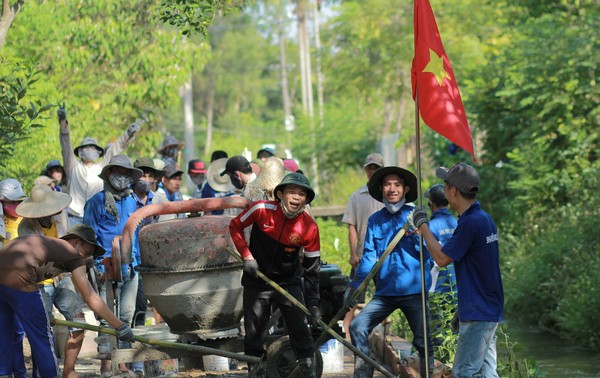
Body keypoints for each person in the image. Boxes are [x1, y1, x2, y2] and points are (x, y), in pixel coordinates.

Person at [0, 225, 135, 378]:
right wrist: (120, 326)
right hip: (21, 275)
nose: (85, 258)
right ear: (76, 242)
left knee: (6, 332)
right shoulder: (73, 255)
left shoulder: (51, 245)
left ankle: (4, 373)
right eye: (87, 252)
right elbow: (91, 297)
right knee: (42, 337)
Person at [413, 163, 504, 378]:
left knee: (464, 371)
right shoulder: (484, 219)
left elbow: (442, 258)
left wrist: (423, 226)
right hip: (489, 308)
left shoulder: (470, 223)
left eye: (445, 187)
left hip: (479, 311)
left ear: (454, 191)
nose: (444, 192)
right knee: (487, 373)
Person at [229, 173, 321, 377]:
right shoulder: (260, 209)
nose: (296, 197)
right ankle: (256, 368)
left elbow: (312, 269)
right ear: (280, 194)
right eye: (291, 192)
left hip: (288, 283)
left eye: (302, 194)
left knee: (299, 326)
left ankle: (308, 367)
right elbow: (235, 226)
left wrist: (313, 304)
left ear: (306, 200)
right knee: (254, 330)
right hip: (257, 280)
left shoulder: (310, 227)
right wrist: (247, 257)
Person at [346, 166, 433, 378]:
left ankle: (429, 373)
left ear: (405, 189)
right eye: (387, 184)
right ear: (381, 189)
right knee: (357, 326)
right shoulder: (375, 220)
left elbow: (429, 257)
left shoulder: (416, 216)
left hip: (414, 292)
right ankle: (363, 371)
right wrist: (355, 287)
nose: (392, 189)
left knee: (423, 340)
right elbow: (369, 257)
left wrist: (416, 234)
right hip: (385, 293)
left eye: (397, 185)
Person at [16, 185, 87, 378]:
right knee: (42, 332)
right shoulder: (26, 227)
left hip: (63, 277)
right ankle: (44, 374)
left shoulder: (61, 217)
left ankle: (69, 370)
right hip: (40, 282)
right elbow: (39, 258)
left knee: (79, 322)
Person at [82, 154, 142, 376]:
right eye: (119, 172)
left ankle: (123, 362)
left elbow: (135, 235)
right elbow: (88, 236)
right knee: (106, 316)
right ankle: (107, 364)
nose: (123, 177)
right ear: (109, 174)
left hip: (130, 265)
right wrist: (93, 266)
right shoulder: (96, 202)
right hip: (103, 265)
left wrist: (137, 261)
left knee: (126, 314)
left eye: (127, 173)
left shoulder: (132, 201)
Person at [58, 104, 142, 226]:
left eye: (93, 147)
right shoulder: (73, 167)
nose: (90, 149)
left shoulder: (101, 167)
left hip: (95, 216)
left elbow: (116, 148)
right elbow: (65, 144)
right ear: (80, 151)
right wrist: (62, 122)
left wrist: (128, 134)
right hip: (73, 217)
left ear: (98, 152)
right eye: (87, 147)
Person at [341, 153, 385, 339]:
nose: (373, 171)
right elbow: (352, 226)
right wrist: (352, 253)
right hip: (363, 255)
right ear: (366, 169)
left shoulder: (389, 194)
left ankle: (381, 334)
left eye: (376, 167)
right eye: (370, 167)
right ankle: (346, 331)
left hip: (386, 256)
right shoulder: (357, 196)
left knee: (385, 296)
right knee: (354, 296)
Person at [0, 179, 28, 244]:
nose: (17, 204)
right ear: (1, 202)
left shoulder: (28, 219)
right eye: (12, 202)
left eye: (19, 201)